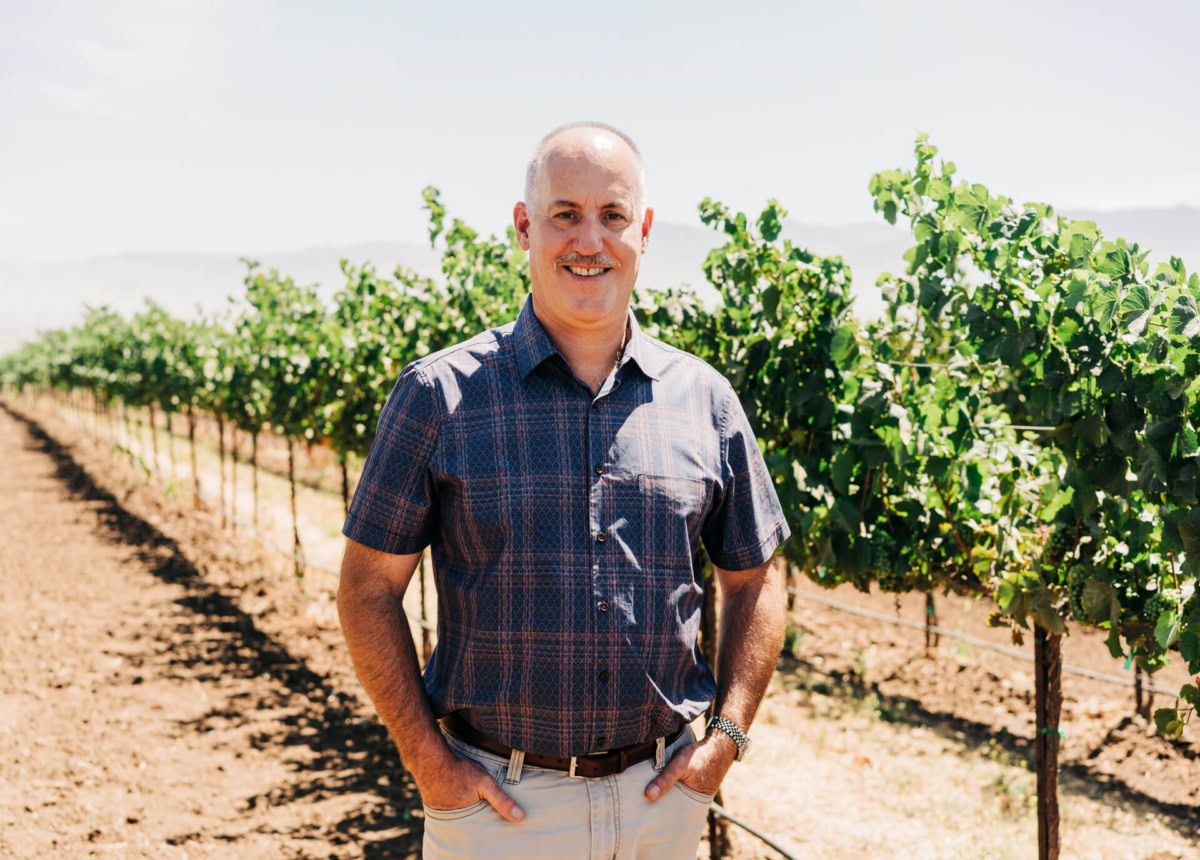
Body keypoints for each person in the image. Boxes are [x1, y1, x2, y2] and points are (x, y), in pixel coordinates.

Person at [337, 121, 789, 859]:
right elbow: (366, 589)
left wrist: (725, 741)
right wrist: (428, 763)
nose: (590, 240)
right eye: (565, 214)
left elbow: (756, 581)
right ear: (524, 227)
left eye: (612, 215)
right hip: (498, 809)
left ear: (643, 231)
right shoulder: (438, 395)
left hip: (661, 804)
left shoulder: (703, 399)